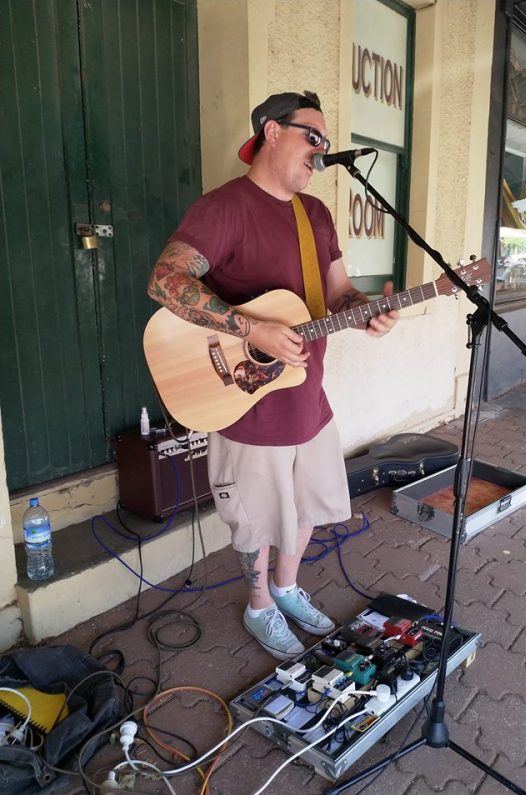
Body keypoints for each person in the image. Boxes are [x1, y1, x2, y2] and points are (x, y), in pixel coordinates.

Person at [148, 90, 398, 659]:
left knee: (308, 503)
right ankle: (259, 604)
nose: (322, 150)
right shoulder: (225, 207)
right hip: (245, 398)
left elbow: (338, 294)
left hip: (308, 393)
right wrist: (250, 331)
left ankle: (286, 587)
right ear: (271, 132)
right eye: (313, 137)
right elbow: (165, 281)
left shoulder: (316, 216)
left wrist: (367, 312)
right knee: (256, 517)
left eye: (326, 142)